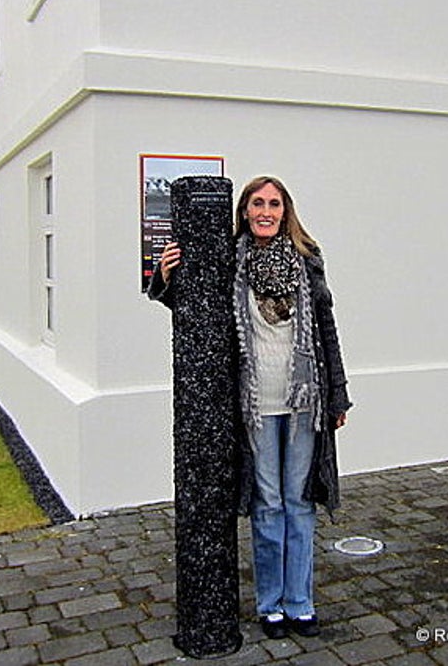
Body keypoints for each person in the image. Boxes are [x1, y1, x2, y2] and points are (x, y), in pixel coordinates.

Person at [148, 175, 352, 640]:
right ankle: (270, 604)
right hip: (255, 404)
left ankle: (300, 602)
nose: (265, 211)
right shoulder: (231, 261)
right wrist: (163, 277)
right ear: (244, 211)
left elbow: (327, 328)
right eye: (257, 203)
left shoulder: (307, 261)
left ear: (285, 211)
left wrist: (338, 394)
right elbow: (194, 310)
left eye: (274, 204)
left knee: (299, 503)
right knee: (268, 503)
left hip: (304, 401)